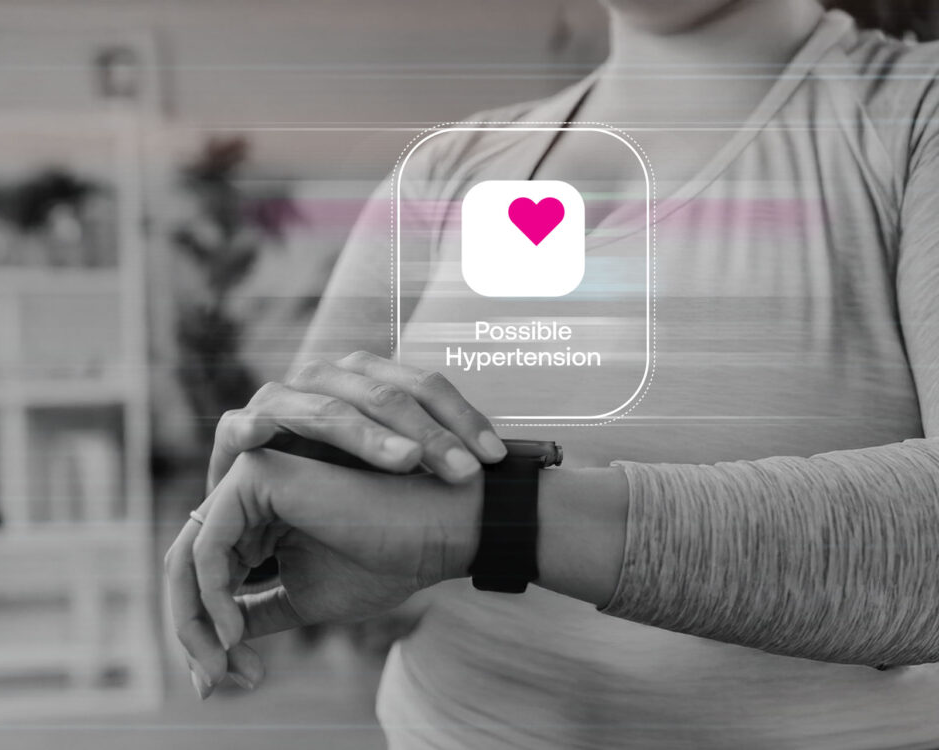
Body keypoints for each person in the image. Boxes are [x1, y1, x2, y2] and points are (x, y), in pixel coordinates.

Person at [165, 0, 939, 747]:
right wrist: (304, 510)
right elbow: (318, 506)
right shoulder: (444, 170)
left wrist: (485, 522)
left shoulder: (915, 114)